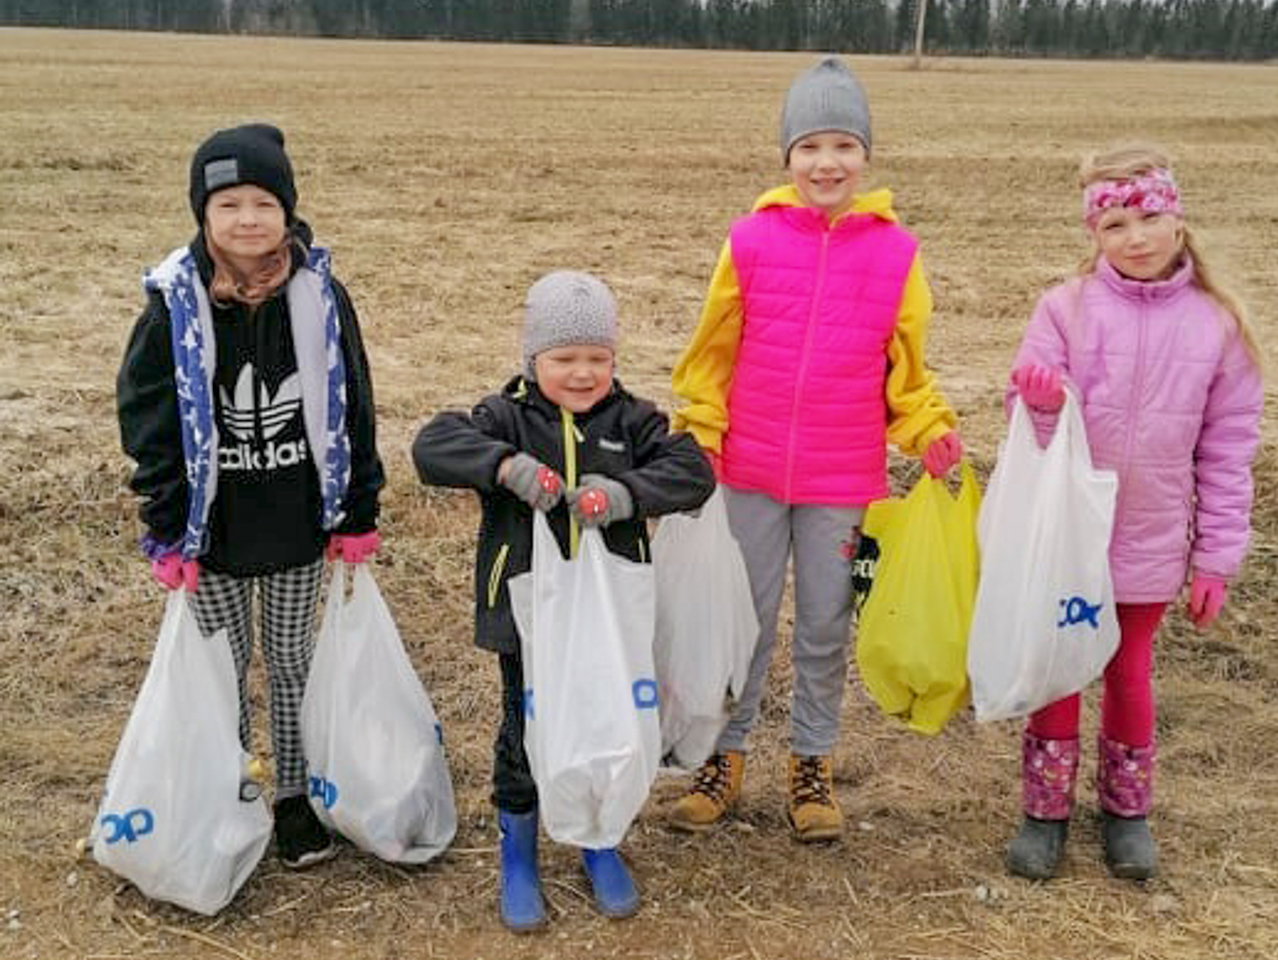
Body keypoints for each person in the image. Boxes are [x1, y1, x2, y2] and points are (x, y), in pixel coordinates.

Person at [667, 56, 961, 843]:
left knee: (825, 626)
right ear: (787, 157)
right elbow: (713, 352)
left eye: (842, 145)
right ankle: (721, 759)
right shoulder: (750, 241)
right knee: (745, 622)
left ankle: (812, 765)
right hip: (751, 473)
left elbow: (907, 369)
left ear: (866, 155)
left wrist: (929, 429)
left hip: (841, 478)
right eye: (809, 147)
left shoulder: (897, 254)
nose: (826, 163)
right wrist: (700, 431)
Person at [116, 123, 385, 870]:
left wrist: (357, 509)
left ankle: (295, 797)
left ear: (287, 211)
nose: (246, 220)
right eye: (227, 203)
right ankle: (230, 788)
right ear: (203, 215)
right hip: (216, 533)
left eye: (263, 202)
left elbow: (354, 404)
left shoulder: (321, 297)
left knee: (296, 660)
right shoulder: (173, 308)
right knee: (221, 667)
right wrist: (167, 525)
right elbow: (149, 421)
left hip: (298, 523)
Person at [411, 270, 714, 931]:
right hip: (527, 616)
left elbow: (693, 471)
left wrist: (626, 494)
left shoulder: (632, 419)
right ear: (533, 358)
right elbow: (431, 446)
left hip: (610, 620)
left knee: (605, 723)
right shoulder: (506, 416)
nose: (582, 374)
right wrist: (506, 468)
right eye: (564, 359)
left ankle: (598, 840)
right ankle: (518, 852)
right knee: (526, 733)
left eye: (597, 359)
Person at [1002, 144, 1263, 881]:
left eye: (1149, 217)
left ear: (1178, 219)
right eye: (1115, 224)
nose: (1136, 237)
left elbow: (1228, 452)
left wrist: (1215, 557)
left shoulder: (1218, 326)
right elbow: (1027, 429)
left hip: (1151, 539)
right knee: (1060, 672)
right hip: (1070, 544)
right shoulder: (1066, 309)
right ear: (1095, 236)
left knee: (1129, 671)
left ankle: (1126, 812)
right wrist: (1042, 405)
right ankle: (1043, 811)